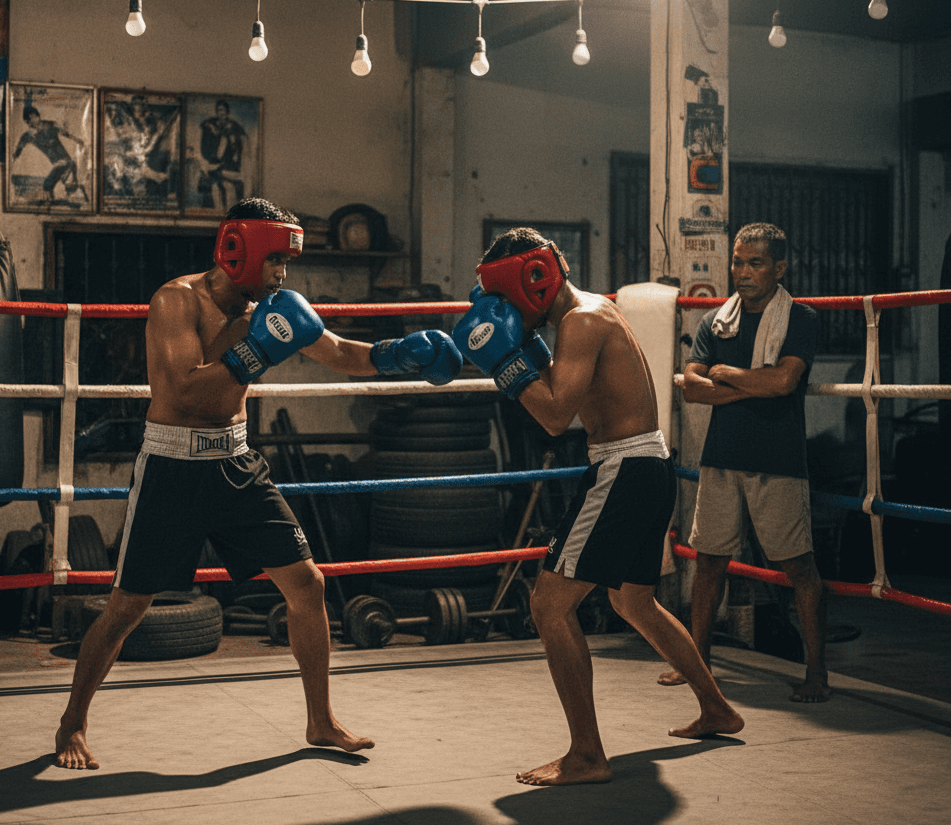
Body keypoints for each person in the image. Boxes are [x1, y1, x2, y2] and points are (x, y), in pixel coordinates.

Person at [54, 197, 463, 769]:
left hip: (238, 464)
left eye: (285, 264)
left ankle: (320, 721)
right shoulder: (177, 300)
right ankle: (72, 722)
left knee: (308, 586)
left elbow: (341, 353)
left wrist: (401, 355)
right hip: (173, 467)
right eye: (273, 260)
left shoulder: (275, 306)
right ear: (235, 249)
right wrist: (256, 349)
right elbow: (189, 391)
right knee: (128, 606)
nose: (281, 274)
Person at [453, 228, 743, 787]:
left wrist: (505, 364)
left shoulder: (582, 322)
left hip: (623, 470)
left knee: (549, 605)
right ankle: (717, 709)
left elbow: (556, 416)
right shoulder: (587, 314)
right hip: (647, 466)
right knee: (635, 603)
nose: (504, 310)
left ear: (534, 281)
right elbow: (573, 389)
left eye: (505, 298)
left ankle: (586, 753)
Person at [657, 223, 827, 703]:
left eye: (755, 263)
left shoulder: (800, 319)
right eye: (737, 262)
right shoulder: (715, 321)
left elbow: (783, 383)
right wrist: (755, 381)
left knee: (799, 567)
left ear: (780, 267)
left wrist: (728, 377)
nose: (743, 272)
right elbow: (691, 388)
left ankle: (817, 674)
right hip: (722, 458)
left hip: (778, 460)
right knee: (709, 561)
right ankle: (699, 664)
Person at [12, 106, 85, 203]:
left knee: (51, 186)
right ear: (28, 122)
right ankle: (55, 201)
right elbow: (19, 148)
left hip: (67, 163)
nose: (33, 121)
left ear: (37, 116)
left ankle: (75, 195)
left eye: (34, 117)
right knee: (48, 187)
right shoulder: (29, 135)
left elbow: (66, 133)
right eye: (29, 120)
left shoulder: (50, 126)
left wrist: (78, 141)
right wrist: (14, 158)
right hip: (59, 165)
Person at [196, 100, 247, 211]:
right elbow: (205, 128)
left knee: (223, 180)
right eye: (219, 110)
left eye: (223, 110)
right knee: (213, 182)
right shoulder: (211, 124)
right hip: (218, 163)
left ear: (227, 112)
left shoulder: (233, 127)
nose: (221, 113)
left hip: (229, 165)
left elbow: (240, 143)